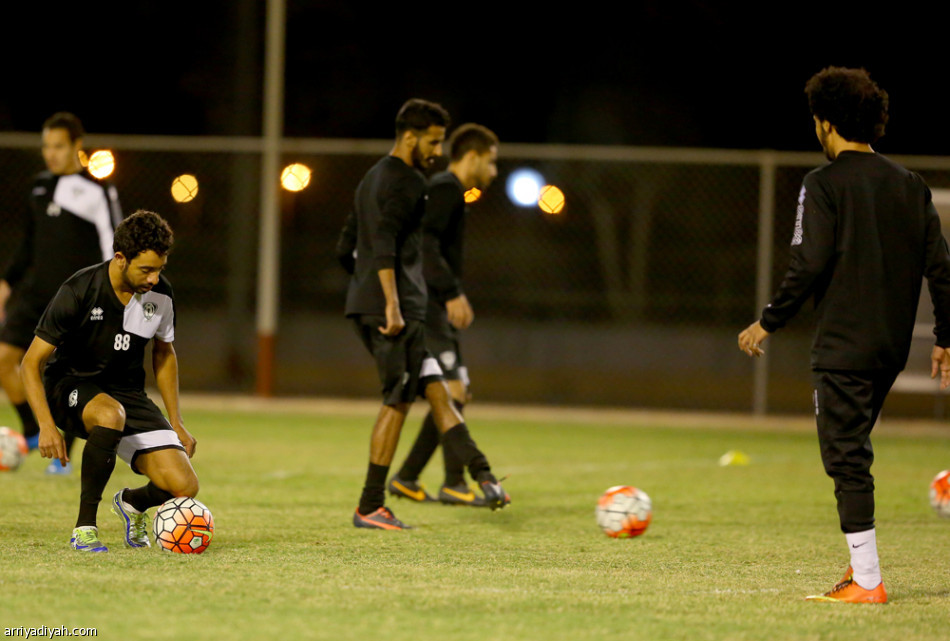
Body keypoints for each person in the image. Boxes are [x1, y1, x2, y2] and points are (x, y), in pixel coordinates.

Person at [737, 66, 950, 603]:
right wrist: (945, 333)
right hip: (890, 347)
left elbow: (808, 261)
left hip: (842, 346)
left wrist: (769, 318)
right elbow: (941, 267)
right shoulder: (910, 184)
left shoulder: (822, 183)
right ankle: (862, 567)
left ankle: (867, 581)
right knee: (852, 447)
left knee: (845, 456)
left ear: (826, 124)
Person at [336, 99, 508, 530]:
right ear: (410, 137)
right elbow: (386, 244)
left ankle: (480, 474)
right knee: (398, 399)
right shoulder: (411, 181)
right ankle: (370, 505)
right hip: (395, 309)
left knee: (436, 389)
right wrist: (390, 301)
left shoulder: (370, 178)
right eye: (432, 141)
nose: (437, 150)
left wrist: (365, 289)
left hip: (373, 302)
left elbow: (346, 247)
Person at [21, 210, 198, 552]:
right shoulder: (80, 289)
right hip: (69, 386)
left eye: (160, 268)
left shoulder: (160, 294)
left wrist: (176, 422)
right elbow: (31, 363)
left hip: (126, 393)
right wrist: (45, 425)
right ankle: (84, 527)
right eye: (145, 269)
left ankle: (131, 503)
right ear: (120, 258)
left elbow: (164, 354)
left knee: (183, 485)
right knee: (109, 414)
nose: (153, 278)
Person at [0, 112, 123, 474]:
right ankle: (35, 429)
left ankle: (62, 453)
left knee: (65, 375)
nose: (50, 154)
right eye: (46, 146)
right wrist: (7, 282)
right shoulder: (39, 186)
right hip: (35, 295)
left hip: (74, 300)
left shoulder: (97, 191)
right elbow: (28, 243)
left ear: (76, 147)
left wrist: (109, 292)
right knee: (6, 359)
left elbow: (111, 243)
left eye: (57, 146)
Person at [386, 123, 500, 507]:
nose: (494, 172)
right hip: (429, 307)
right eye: (492, 162)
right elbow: (426, 244)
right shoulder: (446, 189)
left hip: (435, 306)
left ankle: (418, 478)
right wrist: (451, 292)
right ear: (474, 157)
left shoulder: (451, 192)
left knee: (457, 391)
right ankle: (439, 480)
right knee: (450, 391)